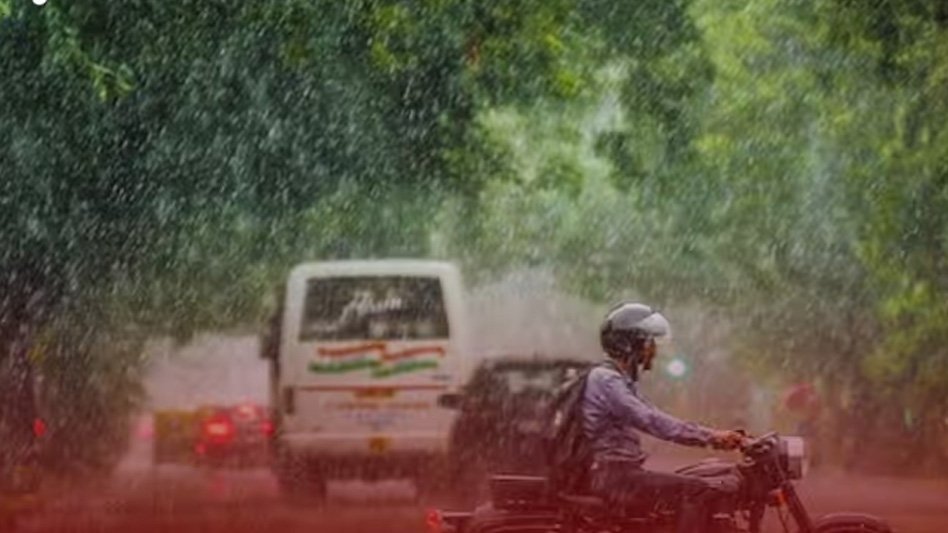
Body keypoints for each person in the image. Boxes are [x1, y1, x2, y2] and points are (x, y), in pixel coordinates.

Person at [583, 302, 744, 533]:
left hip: (618, 473)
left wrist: (714, 436)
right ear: (631, 344)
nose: (654, 351)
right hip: (613, 477)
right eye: (650, 343)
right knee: (697, 490)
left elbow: (654, 415)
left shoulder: (620, 379)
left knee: (696, 483)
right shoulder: (606, 379)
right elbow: (649, 420)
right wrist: (710, 438)